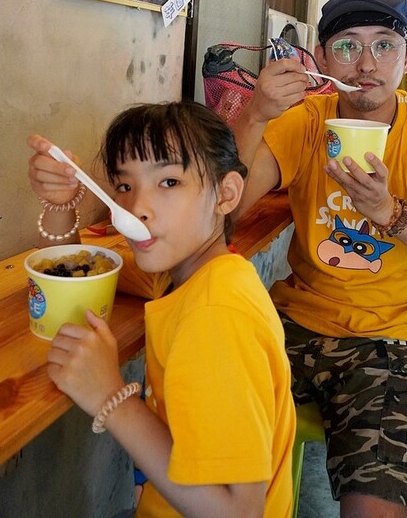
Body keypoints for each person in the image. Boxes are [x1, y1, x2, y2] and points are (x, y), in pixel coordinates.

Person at [233, 0, 407, 518]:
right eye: (347, 46)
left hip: (396, 343)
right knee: (204, 430)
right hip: (294, 325)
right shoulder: (305, 121)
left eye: (384, 45)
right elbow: (227, 208)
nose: (366, 64)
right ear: (322, 59)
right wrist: (255, 114)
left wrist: (392, 214)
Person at [27, 101, 295, 518]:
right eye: (124, 186)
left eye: (169, 182)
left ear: (225, 194)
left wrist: (111, 397)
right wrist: (60, 205)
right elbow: (75, 282)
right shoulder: (188, 272)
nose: (136, 207)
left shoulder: (216, 315)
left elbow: (239, 512)